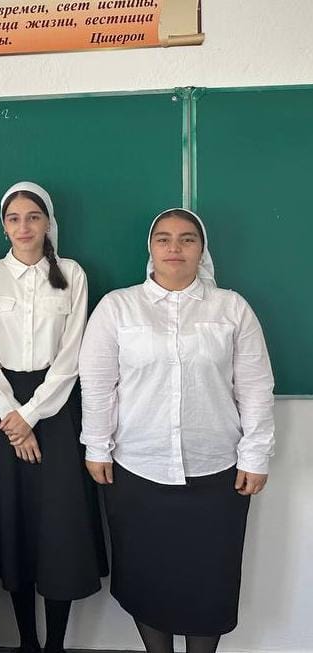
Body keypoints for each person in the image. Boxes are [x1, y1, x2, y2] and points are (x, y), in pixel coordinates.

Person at [80, 208, 275, 653]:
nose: (174, 248)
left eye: (187, 239)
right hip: (137, 469)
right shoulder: (118, 307)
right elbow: (98, 383)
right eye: (163, 238)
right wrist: (97, 446)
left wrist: (256, 454)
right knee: (148, 579)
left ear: (201, 249)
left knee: (209, 581)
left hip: (217, 472)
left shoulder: (231, 308)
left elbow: (255, 387)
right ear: (150, 248)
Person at [0, 182, 107, 653]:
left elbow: (72, 356)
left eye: (33, 217)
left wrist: (32, 414)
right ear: (3, 226)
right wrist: (13, 417)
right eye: (13, 218)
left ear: (48, 223)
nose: (23, 227)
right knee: (13, 522)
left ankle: (55, 643)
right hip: (1, 410)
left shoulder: (72, 273)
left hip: (56, 409)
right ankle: (26, 641)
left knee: (58, 527)